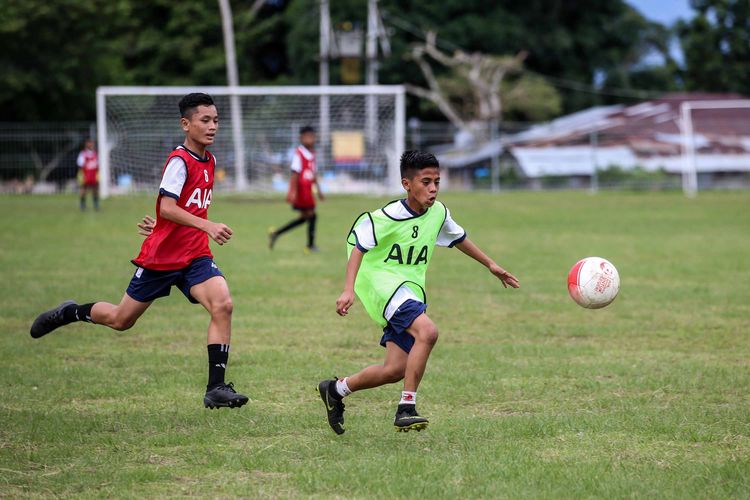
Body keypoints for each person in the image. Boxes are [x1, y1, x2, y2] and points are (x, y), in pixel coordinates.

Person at [30, 93, 249, 409]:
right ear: (186, 124)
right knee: (121, 320)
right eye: (205, 120)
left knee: (223, 304)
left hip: (195, 256)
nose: (212, 126)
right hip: (162, 259)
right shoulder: (179, 161)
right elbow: (168, 207)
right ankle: (70, 311)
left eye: (215, 120)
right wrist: (205, 226)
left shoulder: (210, 161)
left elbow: (178, 211)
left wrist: (167, 227)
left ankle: (216, 388)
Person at [318, 150, 520, 434]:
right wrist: (348, 288)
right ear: (406, 184)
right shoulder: (388, 216)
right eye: (426, 182)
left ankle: (336, 390)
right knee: (428, 332)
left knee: (395, 369)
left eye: (437, 181)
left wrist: (491, 265)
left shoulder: (438, 213)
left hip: (409, 290)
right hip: (381, 285)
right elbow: (359, 246)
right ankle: (406, 407)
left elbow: (459, 238)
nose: (433, 188)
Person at [268, 126, 324, 252]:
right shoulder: (299, 154)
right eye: (307, 137)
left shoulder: (312, 154)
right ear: (301, 138)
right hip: (302, 191)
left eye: (312, 137)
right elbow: (295, 174)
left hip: (308, 190)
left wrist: (319, 190)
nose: (310, 139)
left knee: (306, 217)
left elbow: (313, 174)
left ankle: (276, 233)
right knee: (311, 215)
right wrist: (291, 192)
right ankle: (310, 246)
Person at [77, 138, 99, 211]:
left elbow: (98, 164)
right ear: (86, 144)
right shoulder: (83, 154)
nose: (90, 144)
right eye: (89, 143)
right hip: (85, 174)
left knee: (95, 190)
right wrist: (81, 175)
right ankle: (82, 205)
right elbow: (80, 165)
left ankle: (96, 205)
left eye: (91, 143)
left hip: (94, 174)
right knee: (83, 190)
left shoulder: (96, 154)